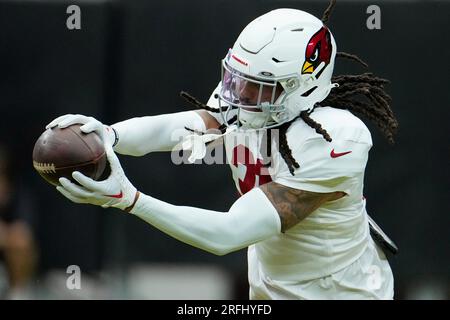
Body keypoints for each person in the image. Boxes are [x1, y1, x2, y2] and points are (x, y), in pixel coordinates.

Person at [48, 2, 399, 299]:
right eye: (238, 78)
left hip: (339, 292)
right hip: (271, 282)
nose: (241, 94)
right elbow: (182, 128)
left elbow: (228, 233)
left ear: (301, 88)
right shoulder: (251, 101)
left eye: (258, 87)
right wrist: (111, 134)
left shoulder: (336, 140)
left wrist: (130, 199)